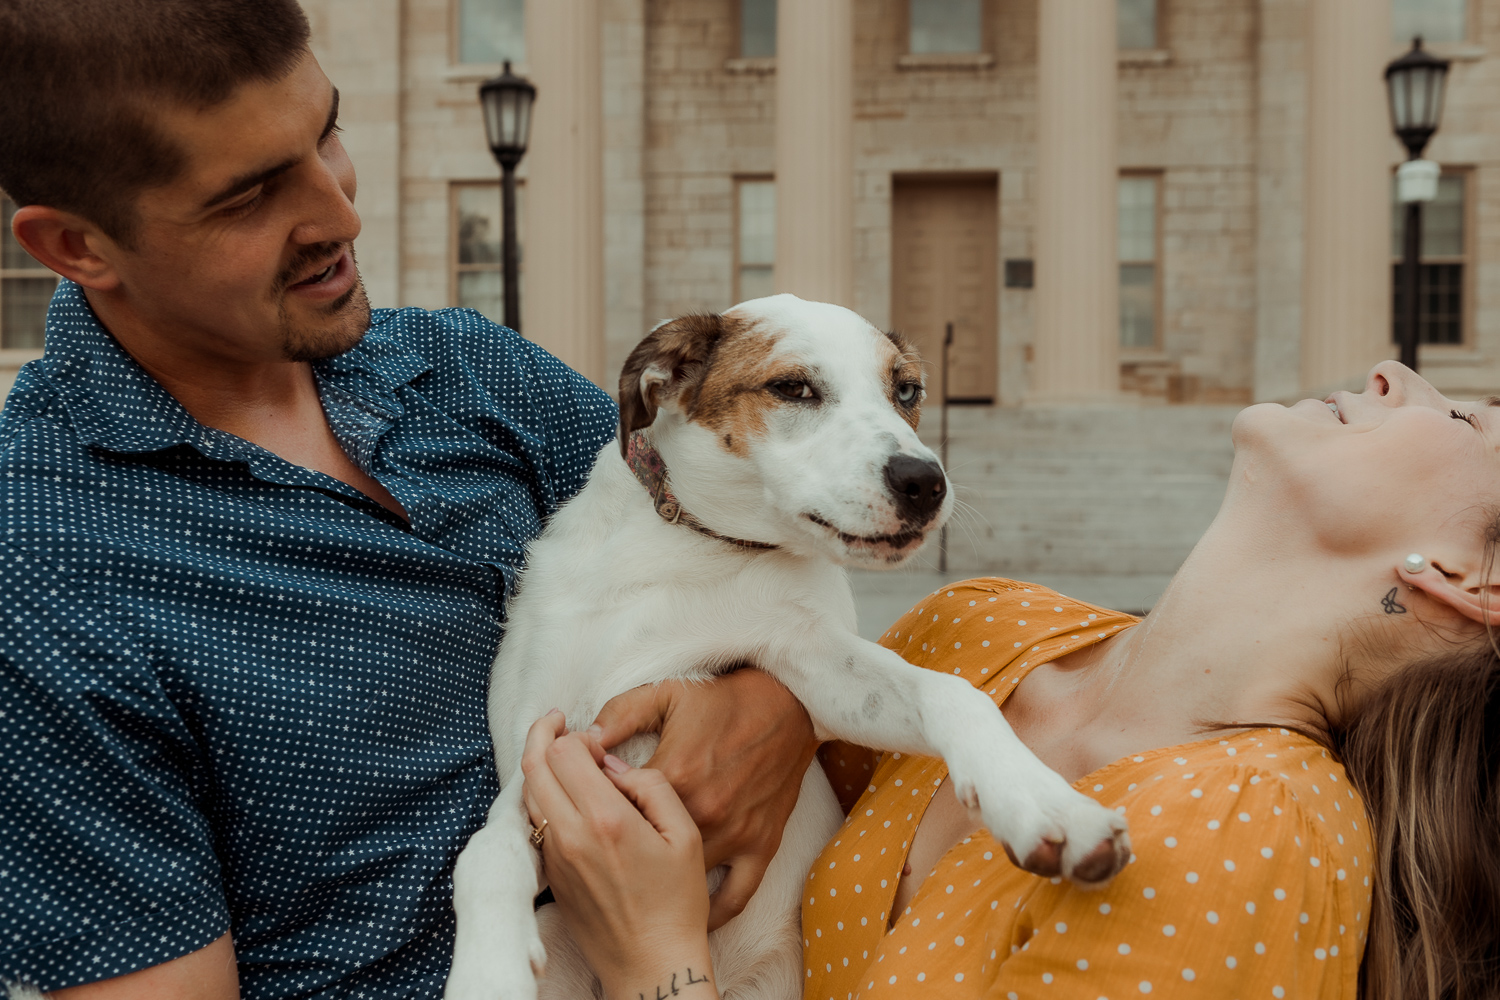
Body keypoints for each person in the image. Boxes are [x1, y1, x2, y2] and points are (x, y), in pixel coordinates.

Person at [0, 2, 816, 997]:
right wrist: (657, 962)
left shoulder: (476, 369)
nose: (339, 215)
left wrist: (774, 710)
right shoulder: (40, 576)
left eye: (327, 132)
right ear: (76, 245)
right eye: (249, 196)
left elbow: (776, 543)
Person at [521, 362, 1500, 1000]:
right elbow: (788, 764)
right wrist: (760, 698)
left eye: (1465, 418)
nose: (1392, 373)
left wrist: (655, 960)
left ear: (1470, 581)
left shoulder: (1250, 834)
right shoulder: (980, 627)